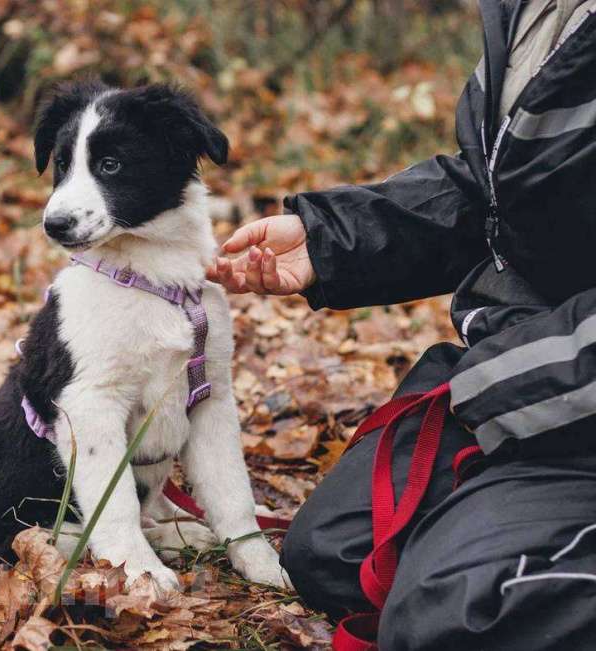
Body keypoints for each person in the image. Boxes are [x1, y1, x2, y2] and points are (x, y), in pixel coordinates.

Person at [208, 1, 596, 648]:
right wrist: (326, 239)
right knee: (332, 555)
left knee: (456, 612)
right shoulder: (535, 10)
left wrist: (494, 387)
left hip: (554, 387)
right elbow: (491, 191)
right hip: (527, 369)